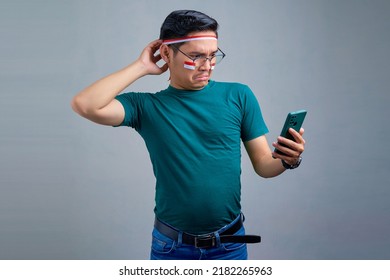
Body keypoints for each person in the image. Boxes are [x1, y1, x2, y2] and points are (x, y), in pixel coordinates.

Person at [71, 10, 305, 260]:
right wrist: (141, 67)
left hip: (229, 245)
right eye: (195, 56)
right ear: (166, 53)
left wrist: (288, 159)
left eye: (213, 56)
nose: (207, 65)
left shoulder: (239, 96)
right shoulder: (146, 107)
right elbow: (86, 104)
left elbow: (264, 165)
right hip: (171, 247)